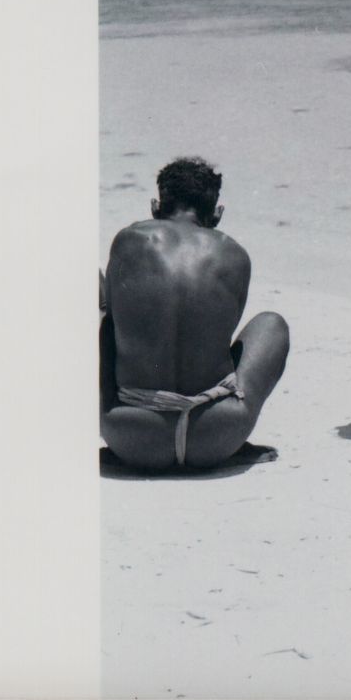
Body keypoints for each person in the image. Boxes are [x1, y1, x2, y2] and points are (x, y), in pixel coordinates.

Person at [100, 157, 289, 470]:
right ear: (217, 214)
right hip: (217, 437)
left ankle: (106, 420)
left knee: (104, 316)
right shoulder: (234, 253)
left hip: (131, 437)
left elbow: (114, 325)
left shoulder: (128, 240)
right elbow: (222, 333)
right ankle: (233, 433)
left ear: (155, 207)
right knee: (272, 325)